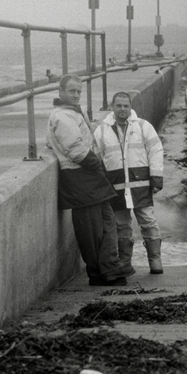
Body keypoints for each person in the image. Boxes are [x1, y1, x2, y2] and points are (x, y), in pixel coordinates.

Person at [46, 74, 127, 286]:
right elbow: (76, 151)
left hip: (89, 177)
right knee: (91, 230)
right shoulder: (62, 117)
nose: (75, 95)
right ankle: (100, 273)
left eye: (78, 91)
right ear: (60, 92)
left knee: (106, 222)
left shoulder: (72, 113)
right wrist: (98, 165)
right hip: (79, 176)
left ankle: (109, 269)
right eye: (71, 91)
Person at [94, 92, 164, 275]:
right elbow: (96, 160)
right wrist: (102, 186)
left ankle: (155, 260)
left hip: (141, 185)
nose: (122, 109)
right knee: (121, 225)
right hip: (116, 187)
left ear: (130, 107)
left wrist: (156, 179)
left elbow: (156, 151)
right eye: (119, 105)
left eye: (126, 105)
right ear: (112, 107)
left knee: (148, 221)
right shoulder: (101, 131)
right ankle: (125, 263)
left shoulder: (143, 126)